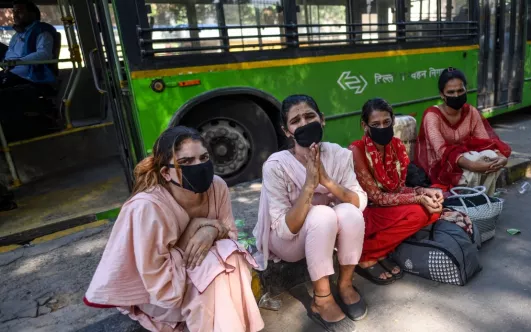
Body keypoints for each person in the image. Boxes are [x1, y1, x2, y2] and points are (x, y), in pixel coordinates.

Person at [84, 126, 264, 332]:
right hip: (159, 295)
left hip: (200, 275)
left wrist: (210, 230)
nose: (199, 166)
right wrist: (193, 229)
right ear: (166, 173)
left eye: (203, 157)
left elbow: (231, 235)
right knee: (215, 273)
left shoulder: (217, 186)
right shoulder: (148, 207)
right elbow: (160, 285)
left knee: (230, 259)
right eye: (186, 162)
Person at [253, 94, 367, 331]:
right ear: (287, 131)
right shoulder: (276, 166)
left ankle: (345, 284)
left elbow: (359, 201)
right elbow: (286, 229)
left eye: (310, 116)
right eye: (296, 120)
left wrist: (327, 181)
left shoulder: (338, 155)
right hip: (288, 240)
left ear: (322, 119)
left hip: (323, 231)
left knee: (350, 213)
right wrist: (309, 185)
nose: (304, 124)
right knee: (322, 214)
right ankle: (321, 298)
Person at [348, 98, 444, 285]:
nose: (382, 127)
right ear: (364, 125)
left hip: (387, 207)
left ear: (393, 120)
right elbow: (377, 197)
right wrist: (419, 198)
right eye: (375, 124)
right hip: (365, 212)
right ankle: (365, 255)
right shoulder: (356, 150)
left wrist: (424, 191)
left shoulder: (397, 146)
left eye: (386, 122)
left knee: (433, 210)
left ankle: (379, 252)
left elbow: (398, 188)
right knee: (419, 211)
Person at [415, 68, 512, 195]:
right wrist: (474, 165)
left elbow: (485, 142)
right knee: (473, 168)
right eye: (451, 92)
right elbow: (441, 151)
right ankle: (467, 204)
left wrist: (501, 158)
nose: (456, 95)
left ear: (465, 89)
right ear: (442, 95)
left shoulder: (471, 112)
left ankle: (483, 200)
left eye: (460, 90)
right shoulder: (432, 115)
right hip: (440, 166)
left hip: (466, 158)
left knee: (491, 157)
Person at [1, 0, 58, 89]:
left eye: (19, 12)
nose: (15, 15)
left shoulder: (41, 30)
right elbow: (11, 52)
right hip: (10, 70)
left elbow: (45, 54)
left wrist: (16, 62)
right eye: (14, 12)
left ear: (32, 14)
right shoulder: (18, 34)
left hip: (28, 76)